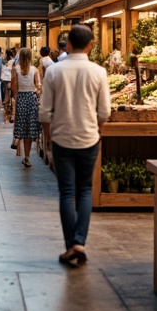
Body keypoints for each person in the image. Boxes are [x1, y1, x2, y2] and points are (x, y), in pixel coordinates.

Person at [40, 24, 110, 267]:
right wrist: (97, 133)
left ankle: (71, 244)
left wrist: (49, 141)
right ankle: (79, 242)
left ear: (68, 44)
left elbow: (45, 113)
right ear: (90, 45)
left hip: (61, 139)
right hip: (89, 139)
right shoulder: (99, 72)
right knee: (85, 190)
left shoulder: (54, 71)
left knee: (67, 192)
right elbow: (104, 112)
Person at [11, 47, 41, 167]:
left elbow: (13, 86)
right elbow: (38, 86)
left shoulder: (16, 69)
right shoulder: (34, 70)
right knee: (29, 128)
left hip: (21, 98)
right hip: (31, 98)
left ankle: (17, 143)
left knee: (20, 124)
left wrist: (16, 97)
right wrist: (35, 93)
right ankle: (27, 157)